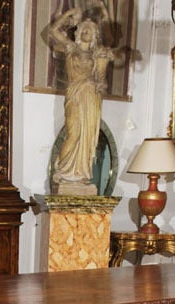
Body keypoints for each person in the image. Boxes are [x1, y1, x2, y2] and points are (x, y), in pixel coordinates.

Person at [47, 4, 120, 194]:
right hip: (75, 95)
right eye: (84, 28)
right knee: (73, 133)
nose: (87, 31)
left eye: (91, 30)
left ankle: (81, 175)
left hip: (91, 97)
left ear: (95, 35)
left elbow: (102, 79)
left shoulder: (97, 54)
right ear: (78, 32)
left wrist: (102, 78)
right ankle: (62, 172)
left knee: (88, 138)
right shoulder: (71, 48)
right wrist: (71, 13)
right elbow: (54, 30)